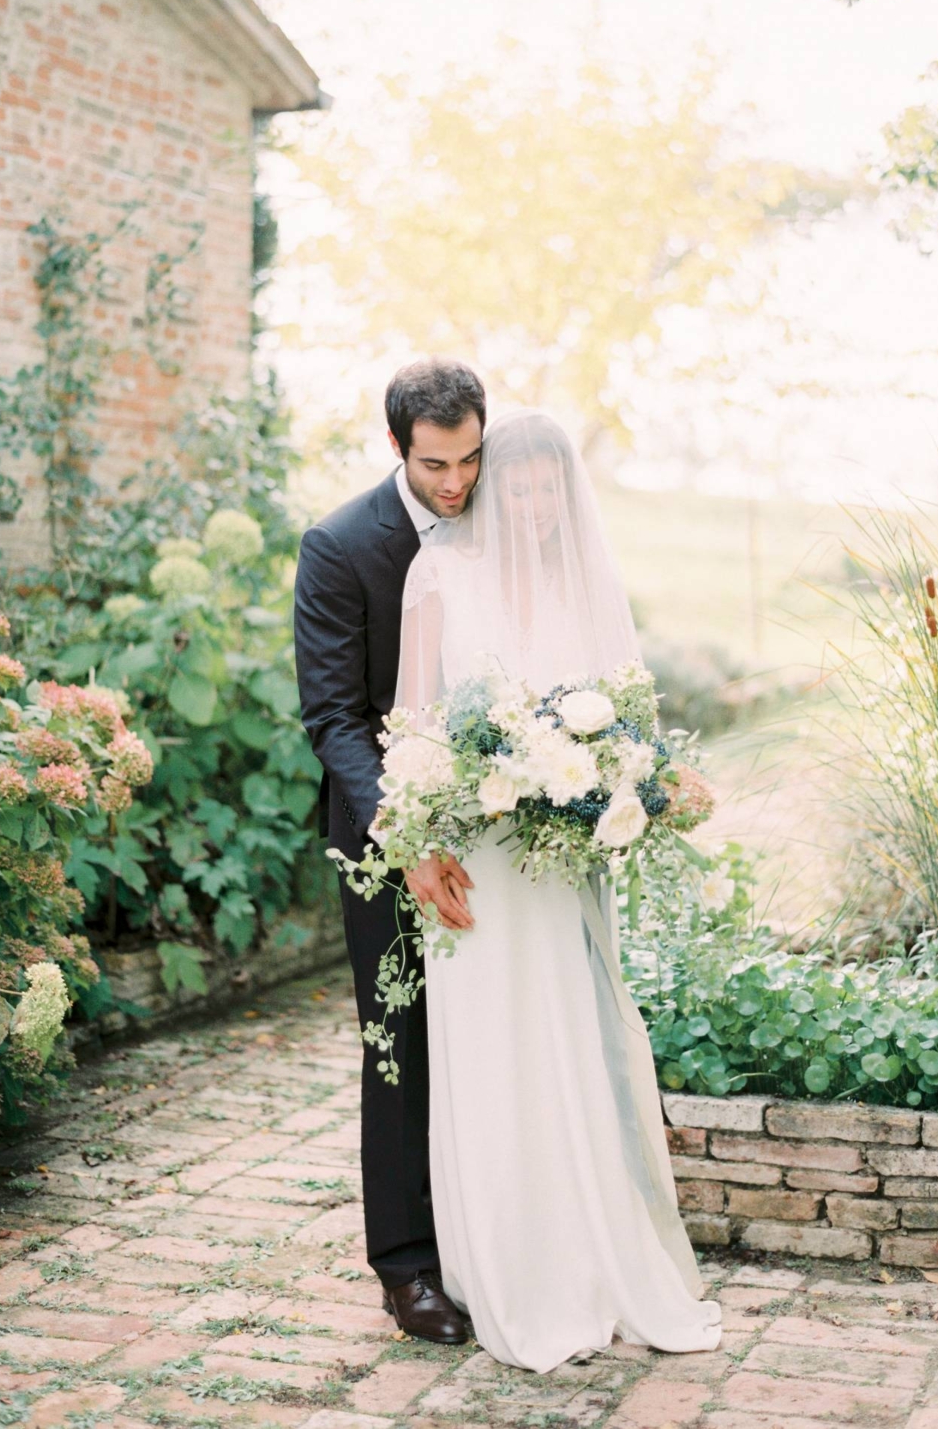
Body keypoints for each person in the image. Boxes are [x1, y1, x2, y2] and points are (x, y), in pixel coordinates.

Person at [395, 406, 724, 1373]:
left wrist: (640, 784)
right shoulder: (439, 575)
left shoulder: (585, 586)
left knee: (569, 1049)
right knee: (493, 1054)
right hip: (478, 867)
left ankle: (588, 1257)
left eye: (551, 483)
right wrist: (421, 843)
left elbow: (625, 723)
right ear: (490, 477)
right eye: (519, 480)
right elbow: (412, 726)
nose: (535, 500)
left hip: (560, 861)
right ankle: (507, 1271)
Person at [293, 358, 486, 1343]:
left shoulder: (504, 518)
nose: (456, 483)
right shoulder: (339, 545)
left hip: (502, 826)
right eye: (436, 463)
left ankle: (491, 1240)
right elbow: (332, 717)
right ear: (397, 448)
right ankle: (406, 1266)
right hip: (382, 837)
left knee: (493, 1031)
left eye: (469, 458)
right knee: (398, 1043)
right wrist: (408, 837)